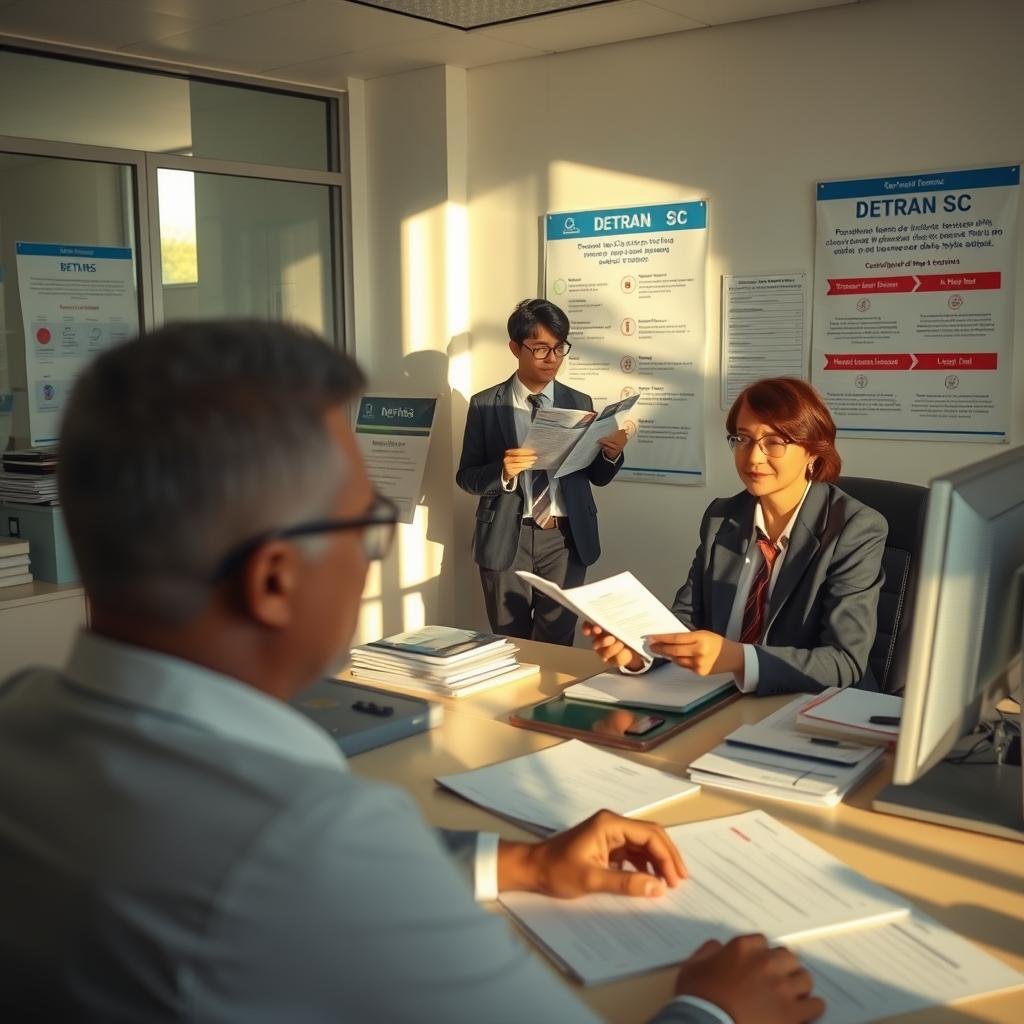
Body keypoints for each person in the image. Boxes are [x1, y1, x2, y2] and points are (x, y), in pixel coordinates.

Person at [0, 322, 823, 1024]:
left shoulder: (19, 716)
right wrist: (713, 1009)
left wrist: (520, 863)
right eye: (367, 521)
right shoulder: (307, 838)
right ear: (276, 579)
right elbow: (322, 868)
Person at [587, 377, 886, 696]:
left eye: (774, 442)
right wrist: (641, 652)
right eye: (742, 439)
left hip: (808, 707)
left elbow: (845, 662)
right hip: (720, 699)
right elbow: (686, 622)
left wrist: (741, 659)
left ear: (812, 450)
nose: (754, 458)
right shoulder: (723, 517)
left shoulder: (854, 528)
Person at [457, 298, 628, 645]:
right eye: (540, 348)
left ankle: (552, 700)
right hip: (508, 536)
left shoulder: (579, 402)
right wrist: (502, 472)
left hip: (564, 539)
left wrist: (610, 456)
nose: (552, 359)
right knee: (510, 642)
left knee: (557, 642)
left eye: (559, 348)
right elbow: (467, 476)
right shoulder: (486, 404)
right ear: (514, 348)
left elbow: (594, 477)